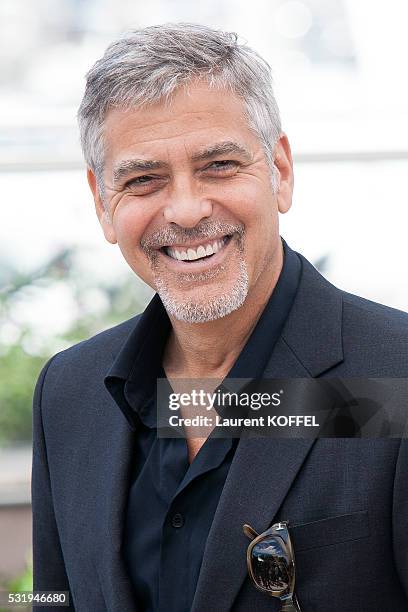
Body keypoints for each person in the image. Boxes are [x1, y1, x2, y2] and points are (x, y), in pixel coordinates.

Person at [32, 23, 408, 612]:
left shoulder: (397, 379)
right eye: (143, 180)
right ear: (102, 203)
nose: (185, 209)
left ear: (280, 171)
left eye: (219, 165)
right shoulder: (68, 392)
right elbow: (53, 599)